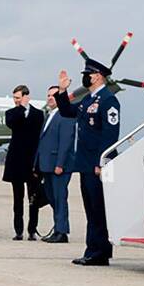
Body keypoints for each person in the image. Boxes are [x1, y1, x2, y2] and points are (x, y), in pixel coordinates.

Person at [54, 58, 121, 265]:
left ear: (98, 76)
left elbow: (110, 134)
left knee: (98, 208)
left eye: (88, 73)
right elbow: (67, 111)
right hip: (84, 163)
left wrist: (102, 162)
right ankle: (93, 249)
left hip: (96, 164)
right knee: (91, 208)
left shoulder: (108, 100)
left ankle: (99, 252)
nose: (85, 76)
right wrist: (62, 92)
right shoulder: (88, 100)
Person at [35, 85, 77, 243]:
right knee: (52, 198)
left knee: (60, 198)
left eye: (54, 95)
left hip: (58, 166)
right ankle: (58, 227)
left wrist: (60, 164)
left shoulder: (65, 115)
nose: (50, 98)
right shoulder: (50, 115)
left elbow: (66, 142)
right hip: (46, 165)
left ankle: (62, 232)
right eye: (48, 95)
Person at [2, 85, 45, 240]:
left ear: (27, 97)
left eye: (18, 98)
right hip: (16, 162)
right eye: (14, 98)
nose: (16, 101)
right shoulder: (11, 113)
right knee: (17, 198)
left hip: (32, 162)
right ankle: (18, 230)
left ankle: (32, 229)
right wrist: (21, 108)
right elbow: (13, 123)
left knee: (33, 198)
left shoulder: (39, 114)